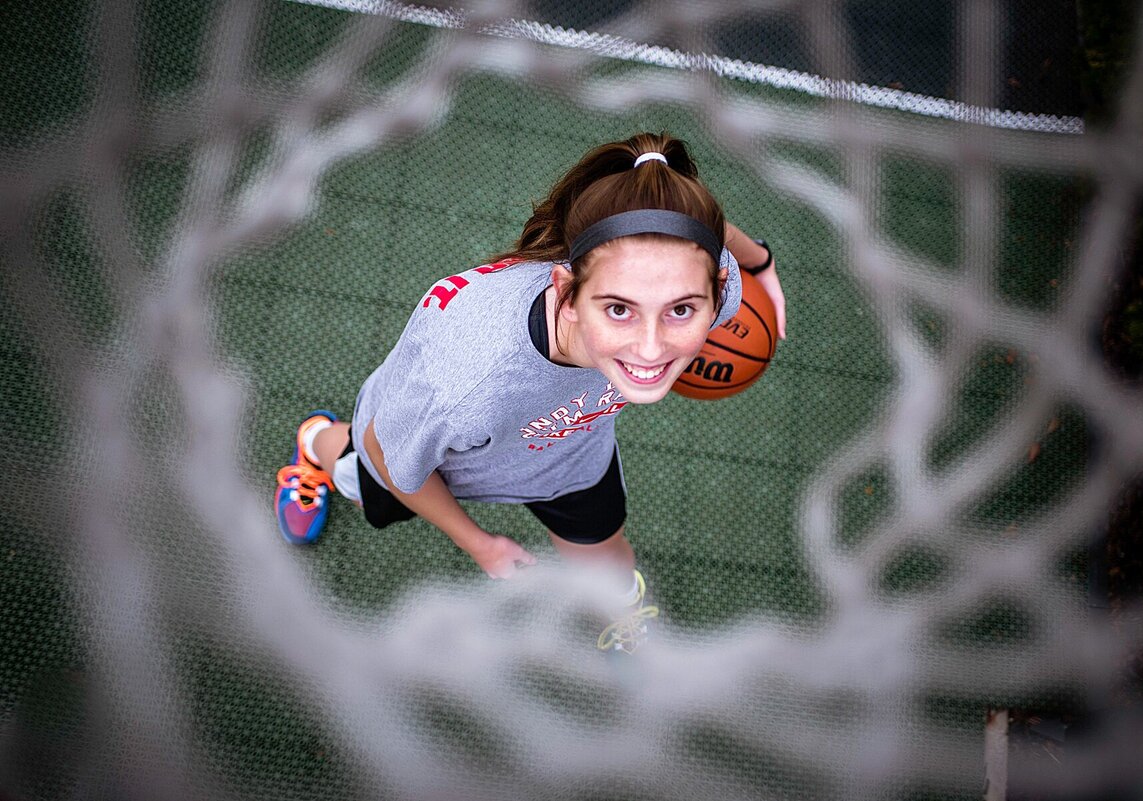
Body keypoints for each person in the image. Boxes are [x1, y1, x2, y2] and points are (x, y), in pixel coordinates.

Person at [274, 132, 787, 653]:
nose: (652, 349)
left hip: (568, 454)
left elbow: (700, 225)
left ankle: (618, 614)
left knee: (608, 559)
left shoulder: (714, 281)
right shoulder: (467, 384)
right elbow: (388, 449)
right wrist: (479, 544)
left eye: (680, 309)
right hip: (437, 455)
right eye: (618, 309)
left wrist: (760, 262)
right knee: (365, 482)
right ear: (567, 293)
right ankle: (315, 441)